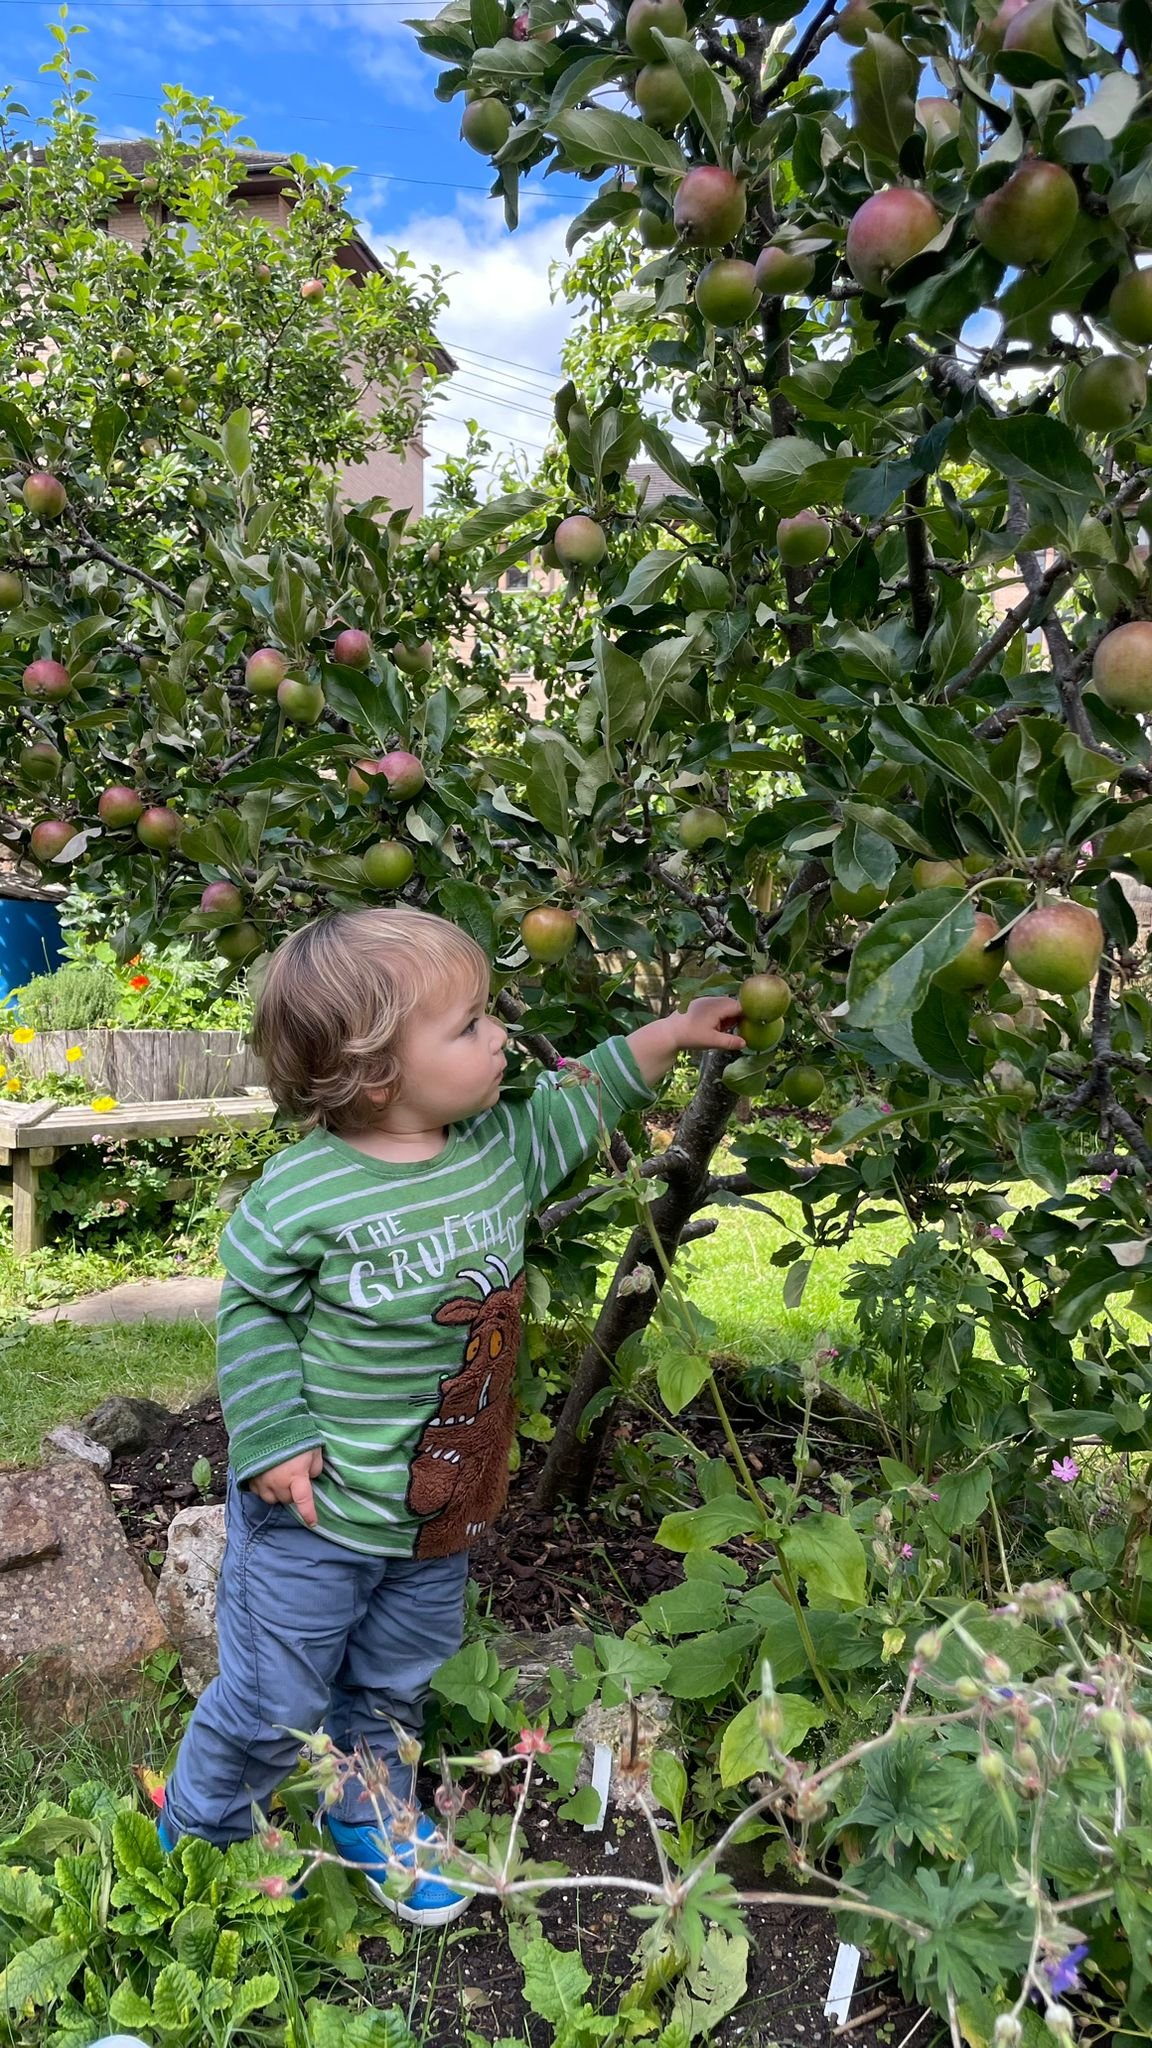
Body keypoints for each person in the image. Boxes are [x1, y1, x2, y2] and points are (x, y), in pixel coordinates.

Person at [157, 906, 746, 1924]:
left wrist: (667, 1035)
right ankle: (201, 1829)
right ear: (375, 1070)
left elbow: (585, 1094)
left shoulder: (496, 1149)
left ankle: (369, 1810)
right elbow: (252, 1309)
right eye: (469, 1024)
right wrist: (272, 1435)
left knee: (395, 1679)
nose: (499, 1036)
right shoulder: (303, 1191)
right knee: (276, 1696)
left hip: (436, 1512)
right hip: (316, 1512)